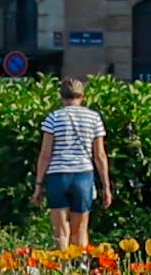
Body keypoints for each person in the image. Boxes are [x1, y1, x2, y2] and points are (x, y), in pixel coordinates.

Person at [33, 76, 110, 250]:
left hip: (57, 176)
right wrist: (106, 186)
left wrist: (38, 184)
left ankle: (62, 270)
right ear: (82, 96)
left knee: (61, 232)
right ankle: (81, 271)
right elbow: (100, 155)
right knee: (81, 230)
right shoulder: (94, 118)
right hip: (83, 175)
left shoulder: (53, 118)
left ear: (61, 96)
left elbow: (45, 154)